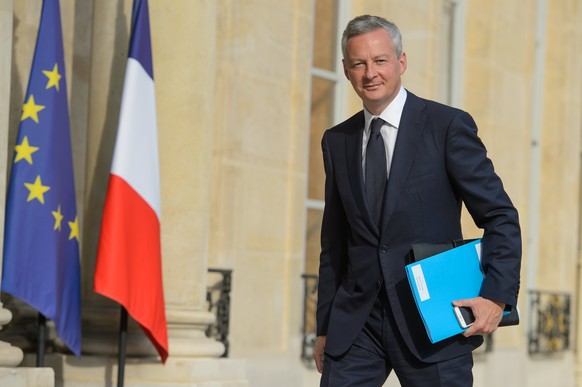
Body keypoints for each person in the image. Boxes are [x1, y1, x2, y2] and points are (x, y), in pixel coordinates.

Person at [313, 15, 521, 387]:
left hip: (432, 320)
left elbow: (500, 216)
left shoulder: (446, 127)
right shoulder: (337, 140)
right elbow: (334, 244)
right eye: (359, 63)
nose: (370, 73)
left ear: (401, 62)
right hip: (358, 326)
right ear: (345, 70)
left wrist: (495, 296)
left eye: (380, 61)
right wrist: (326, 327)